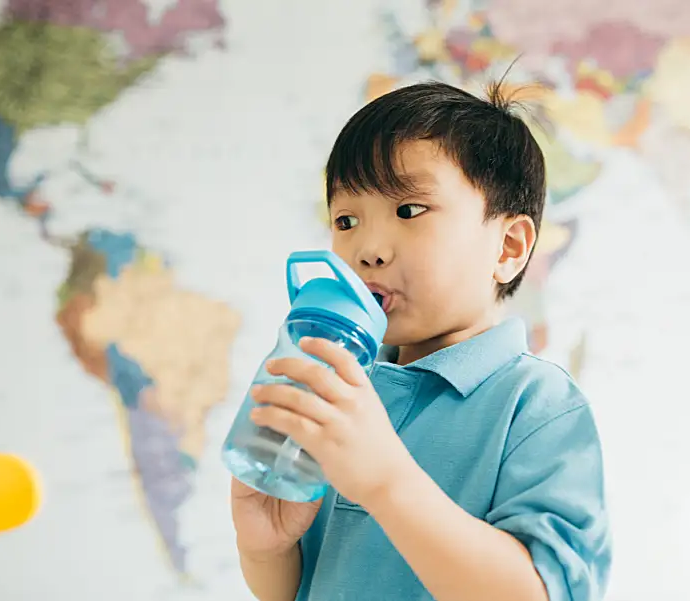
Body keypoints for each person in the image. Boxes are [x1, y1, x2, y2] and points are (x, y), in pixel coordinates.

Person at [231, 80, 611, 601]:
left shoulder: (537, 405)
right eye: (346, 220)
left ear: (509, 246)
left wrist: (386, 483)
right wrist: (266, 550)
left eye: (408, 211)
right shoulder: (346, 391)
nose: (368, 248)